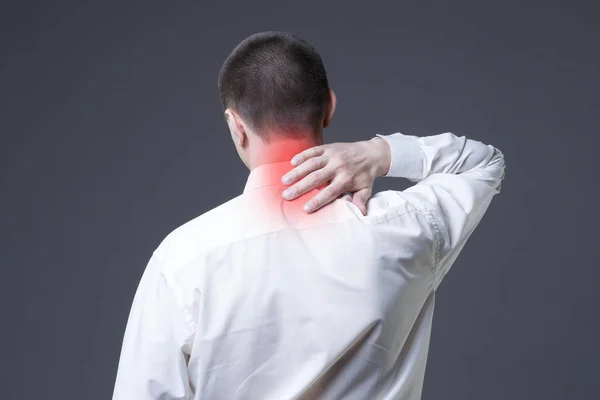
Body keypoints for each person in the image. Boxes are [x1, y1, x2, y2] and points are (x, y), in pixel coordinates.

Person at [113, 31, 505, 400]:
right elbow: (482, 164)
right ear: (329, 107)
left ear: (236, 126)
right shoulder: (401, 227)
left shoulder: (183, 258)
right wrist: (379, 152)